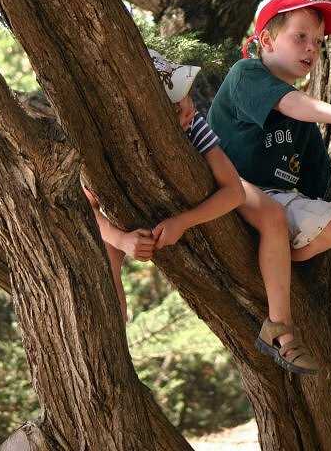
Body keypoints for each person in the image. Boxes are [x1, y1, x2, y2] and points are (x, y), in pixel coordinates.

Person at [208, 0, 331, 375]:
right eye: (300, 37)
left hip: (277, 201)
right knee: (279, 214)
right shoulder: (247, 75)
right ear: (267, 41)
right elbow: (291, 104)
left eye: (319, 43)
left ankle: (275, 257)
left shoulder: (303, 121)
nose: (312, 48)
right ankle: (280, 329)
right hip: (230, 188)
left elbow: (322, 186)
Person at [81, 48, 245, 321]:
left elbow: (234, 192)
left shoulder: (193, 126)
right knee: (106, 274)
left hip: (184, 234)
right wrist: (121, 239)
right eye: (173, 105)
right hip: (120, 223)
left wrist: (183, 221)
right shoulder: (111, 141)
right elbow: (86, 206)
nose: (186, 108)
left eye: (183, 93)